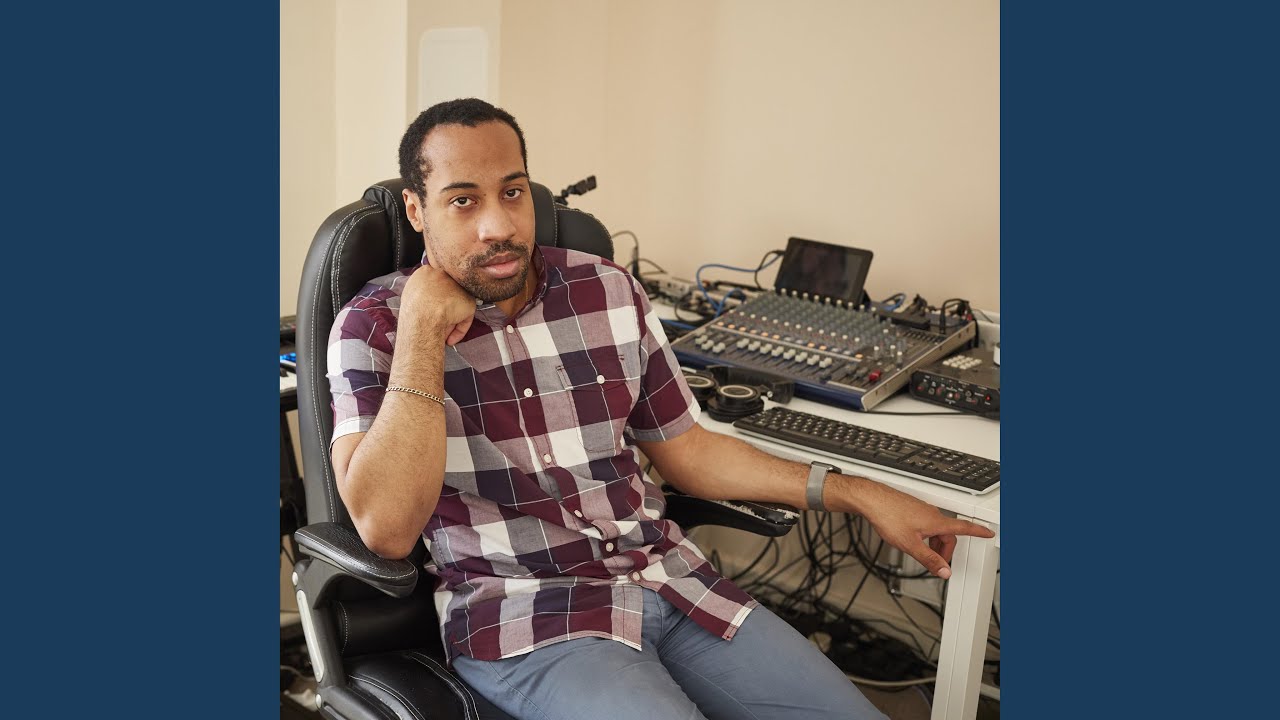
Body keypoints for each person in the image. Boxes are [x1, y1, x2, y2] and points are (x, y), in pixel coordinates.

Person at [327, 97, 995, 720]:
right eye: (462, 201)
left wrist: (860, 493)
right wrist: (421, 334)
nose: (498, 226)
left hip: (672, 583)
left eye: (513, 192)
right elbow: (386, 530)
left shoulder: (607, 290)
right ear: (417, 210)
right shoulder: (374, 327)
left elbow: (691, 452)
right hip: (528, 616)